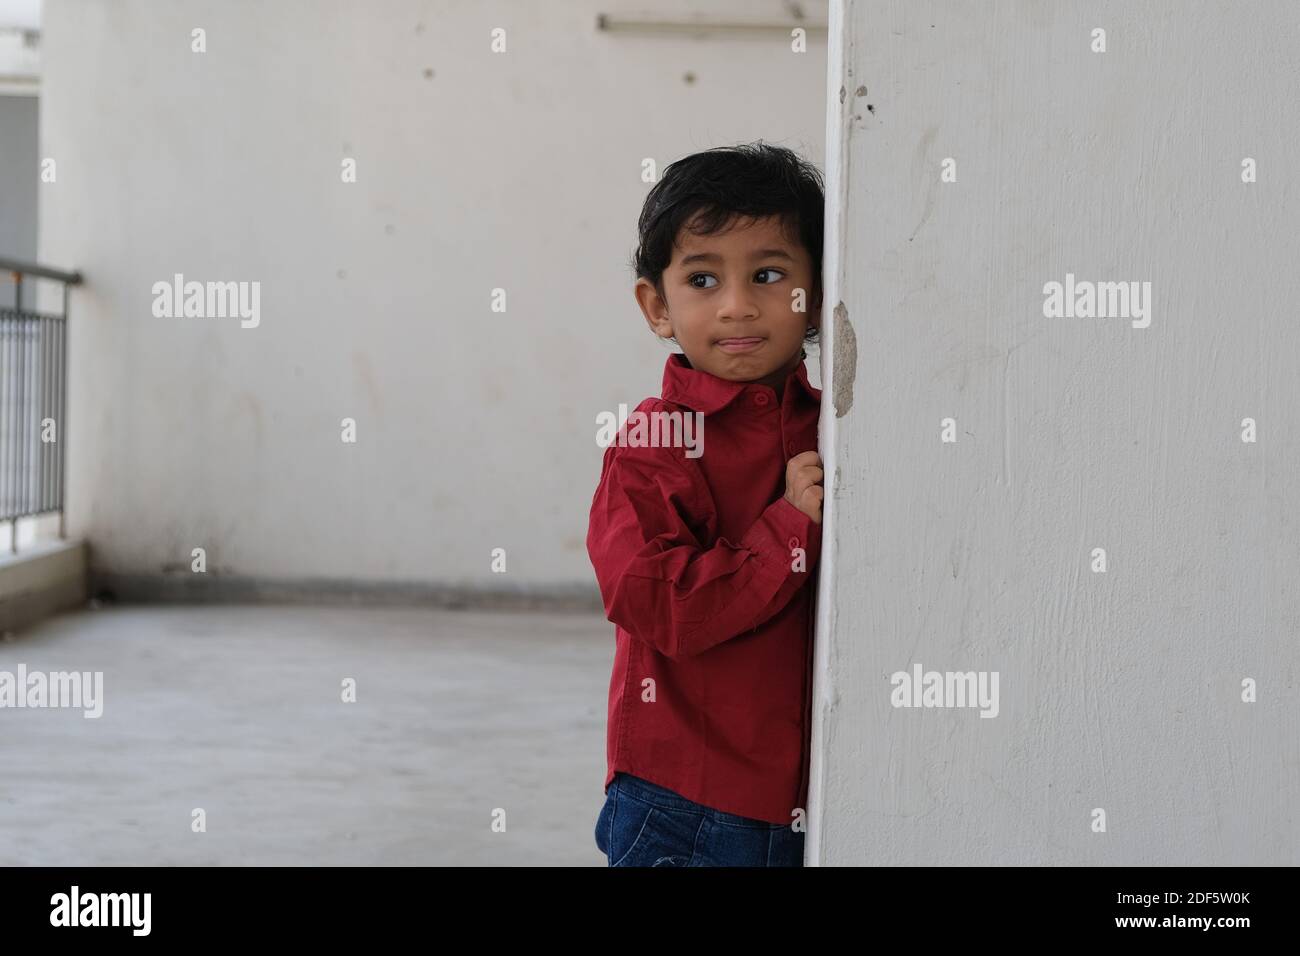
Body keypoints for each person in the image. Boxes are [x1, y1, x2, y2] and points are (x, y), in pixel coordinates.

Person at [586, 142, 826, 866]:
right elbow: (655, 601)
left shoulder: (840, 427)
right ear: (657, 306)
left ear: (816, 291)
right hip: (683, 805)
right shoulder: (653, 442)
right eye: (702, 278)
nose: (737, 305)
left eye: (768, 273)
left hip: (814, 797)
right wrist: (788, 529)